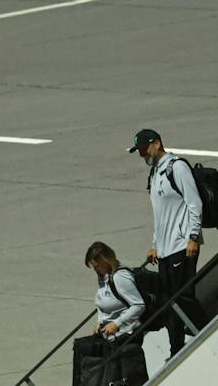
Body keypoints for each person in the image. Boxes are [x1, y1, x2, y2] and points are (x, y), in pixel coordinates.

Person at [130, 128, 203, 353]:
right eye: (140, 151)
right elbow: (159, 215)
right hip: (164, 249)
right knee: (168, 301)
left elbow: (194, 203)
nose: (143, 154)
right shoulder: (154, 173)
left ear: (157, 144)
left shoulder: (177, 167)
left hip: (182, 245)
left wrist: (193, 236)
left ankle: (204, 331)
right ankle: (177, 348)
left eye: (144, 148)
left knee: (181, 298)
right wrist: (155, 245)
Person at [85, 241, 144, 340]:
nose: (95, 270)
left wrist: (117, 323)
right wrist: (99, 321)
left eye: (97, 266)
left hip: (126, 335)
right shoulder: (103, 276)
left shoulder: (120, 277)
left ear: (105, 261)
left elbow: (138, 305)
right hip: (109, 335)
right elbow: (101, 302)